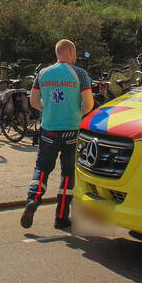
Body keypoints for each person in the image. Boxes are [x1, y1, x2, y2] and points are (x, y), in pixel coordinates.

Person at [21, 39, 94, 230]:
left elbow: (34, 101)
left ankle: (33, 199)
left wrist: (48, 109)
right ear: (70, 51)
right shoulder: (80, 74)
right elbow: (89, 104)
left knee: (42, 168)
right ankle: (61, 217)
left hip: (49, 130)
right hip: (72, 130)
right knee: (68, 174)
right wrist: (79, 113)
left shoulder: (43, 73)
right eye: (75, 52)